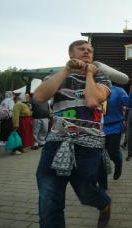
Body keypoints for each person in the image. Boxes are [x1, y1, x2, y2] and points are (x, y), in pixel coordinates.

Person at [33, 40, 112, 228]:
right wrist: (66, 70)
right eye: (81, 49)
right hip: (56, 142)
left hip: (88, 146)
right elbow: (39, 97)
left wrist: (90, 74)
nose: (86, 52)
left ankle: (104, 203)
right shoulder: (57, 78)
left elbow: (93, 100)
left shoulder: (102, 79)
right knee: (49, 197)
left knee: (86, 191)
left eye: (89, 51)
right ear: (70, 54)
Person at [102, 85, 130, 184]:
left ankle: (118, 163)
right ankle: (102, 184)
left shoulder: (118, 90)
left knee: (112, 152)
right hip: (97, 127)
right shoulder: (94, 88)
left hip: (114, 127)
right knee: (100, 156)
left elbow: (129, 103)